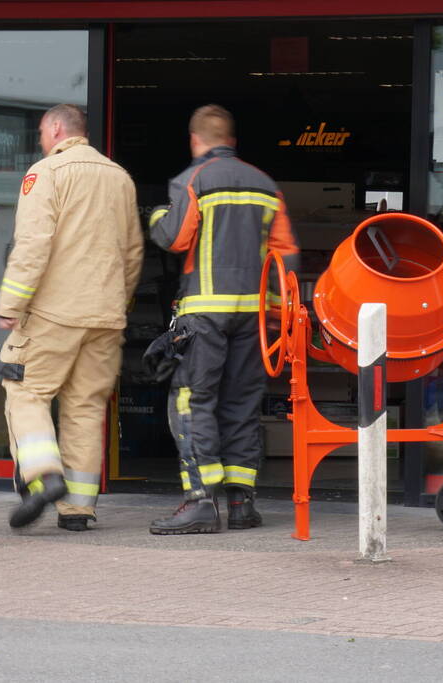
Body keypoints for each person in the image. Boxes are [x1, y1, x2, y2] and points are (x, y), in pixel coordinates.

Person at [148, 105, 299, 534]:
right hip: (252, 315)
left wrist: (157, 216)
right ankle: (240, 502)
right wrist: (275, 314)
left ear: (195, 140)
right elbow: (286, 256)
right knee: (241, 402)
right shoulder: (267, 186)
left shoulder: (193, 180)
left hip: (204, 314)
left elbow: (175, 238)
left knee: (192, 400)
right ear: (231, 139)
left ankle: (200, 501)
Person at [0, 104, 143, 531]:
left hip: (53, 313)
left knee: (25, 390)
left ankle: (45, 477)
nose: (41, 140)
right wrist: (118, 303)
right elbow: (133, 254)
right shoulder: (119, 178)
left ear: (57, 129)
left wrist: (11, 303)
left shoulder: (47, 173)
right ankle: (78, 510)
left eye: (43, 132)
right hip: (106, 316)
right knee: (85, 407)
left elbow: (32, 244)